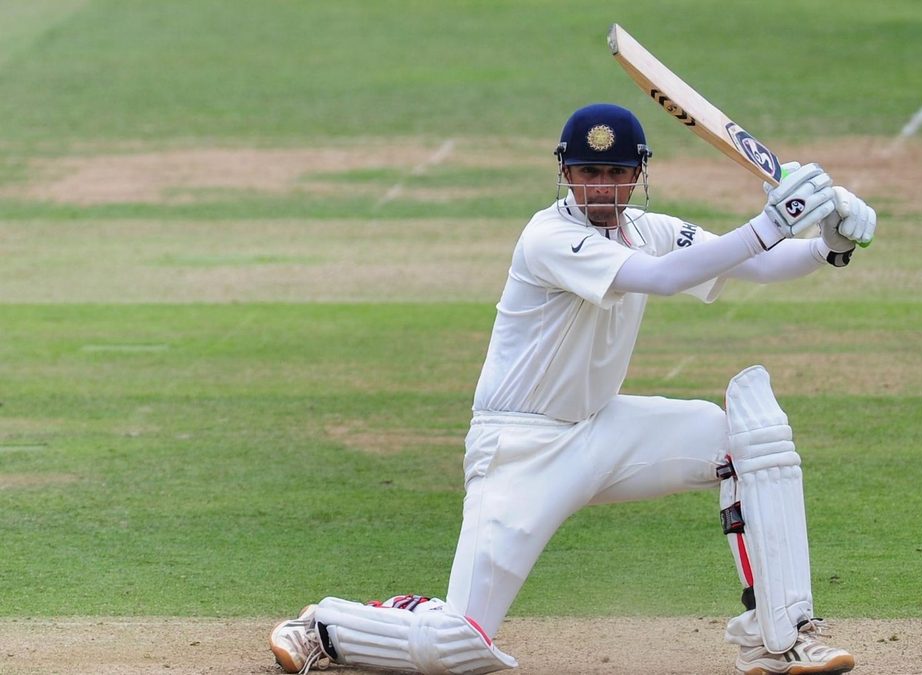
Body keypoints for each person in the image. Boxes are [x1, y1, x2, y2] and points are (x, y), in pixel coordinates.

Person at [269, 103, 876, 675]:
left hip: (601, 428)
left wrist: (829, 245)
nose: (602, 188)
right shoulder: (549, 238)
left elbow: (756, 263)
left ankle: (781, 636)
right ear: (565, 172)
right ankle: (325, 627)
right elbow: (665, 278)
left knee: (750, 439)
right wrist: (771, 222)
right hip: (520, 448)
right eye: (589, 173)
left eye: (616, 173)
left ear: (638, 173)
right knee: (457, 642)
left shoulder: (649, 229)